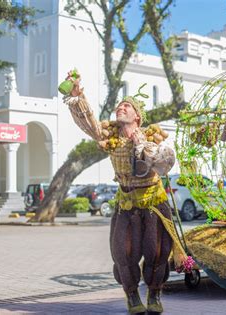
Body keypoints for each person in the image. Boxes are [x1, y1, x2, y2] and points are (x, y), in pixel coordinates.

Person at [62, 71, 189, 315]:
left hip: (153, 202)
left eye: (127, 106)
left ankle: (154, 293)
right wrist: (79, 96)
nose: (121, 108)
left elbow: (164, 163)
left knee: (158, 251)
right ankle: (132, 295)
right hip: (126, 202)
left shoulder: (151, 136)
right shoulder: (109, 135)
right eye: (119, 105)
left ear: (137, 117)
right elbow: (88, 123)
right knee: (124, 251)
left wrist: (142, 143)